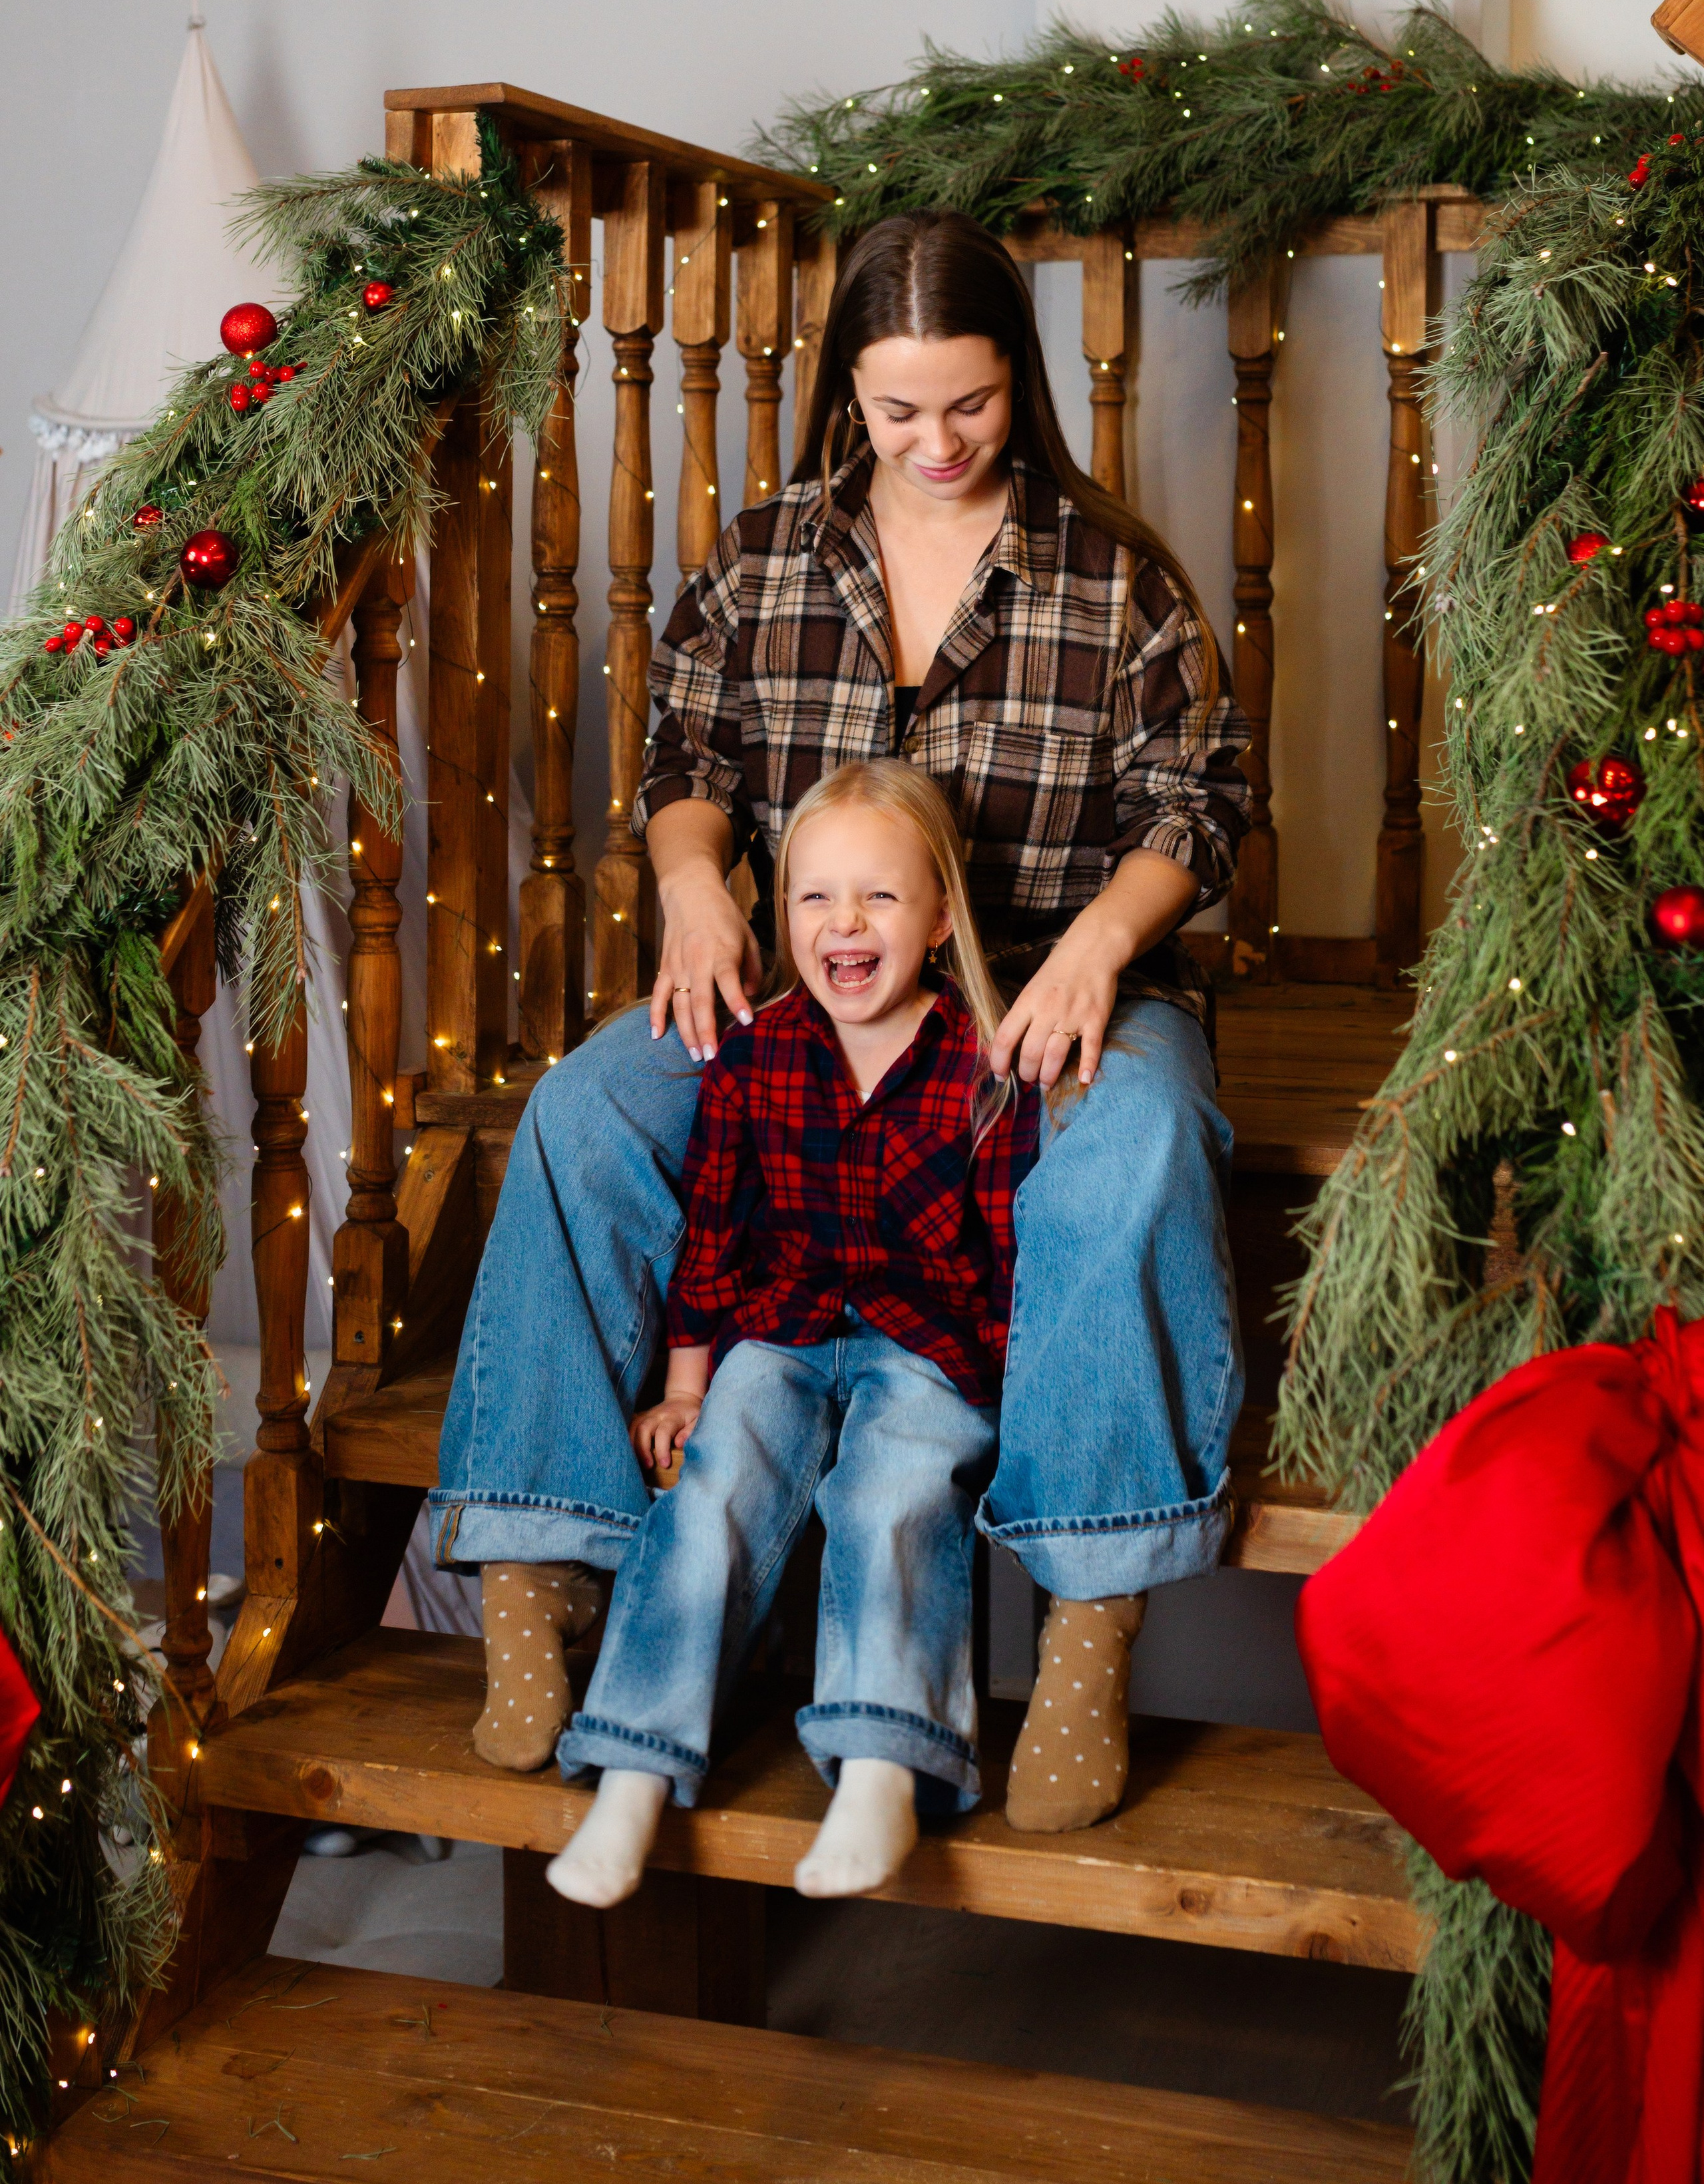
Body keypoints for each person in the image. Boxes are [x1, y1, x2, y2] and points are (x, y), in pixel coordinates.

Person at [430, 207, 1249, 1835]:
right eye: (899, 410)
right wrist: (688, 883)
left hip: (1043, 980)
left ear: (1017, 379)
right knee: (588, 1106)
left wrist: (1098, 939)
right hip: (822, 992)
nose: (937, 441)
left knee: (1135, 1136)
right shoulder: (761, 562)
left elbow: (1200, 803)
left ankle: (1089, 1615)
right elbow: (685, 766)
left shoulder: (1114, 579)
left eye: (971, 401)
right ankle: (538, 1563)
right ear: (845, 398)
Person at [546, 760, 1032, 1908]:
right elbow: (712, 1224)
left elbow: (1010, 1256)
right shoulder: (760, 1055)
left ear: (939, 915)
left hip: (928, 1344)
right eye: (816, 898)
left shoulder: (981, 1067)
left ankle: (881, 1765)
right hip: (784, 1325)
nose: (845, 925)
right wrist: (683, 1383)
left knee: (890, 1491)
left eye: (878, 897)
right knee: (715, 1484)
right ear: (782, 920)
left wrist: (1013, 1392)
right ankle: (633, 1764)